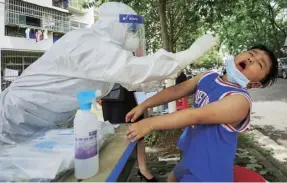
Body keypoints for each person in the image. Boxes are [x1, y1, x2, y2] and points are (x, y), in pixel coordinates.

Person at [0, 2, 218, 144]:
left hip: (48, 119)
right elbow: (134, 71)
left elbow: (134, 82)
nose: (133, 36)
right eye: (131, 30)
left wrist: (158, 83)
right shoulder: (87, 43)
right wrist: (189, 54)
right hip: (18, 116)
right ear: (115, 26)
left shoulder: (106, 51)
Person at [126, 45, 278, 182]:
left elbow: (195, 115)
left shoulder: (239, 101)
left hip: (209, 172)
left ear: (255, 84)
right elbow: (177, 90)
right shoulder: (207, 77)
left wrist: (150, 123)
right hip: (190, 156)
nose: (252, 59)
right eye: (252, 53)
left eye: (260, 63)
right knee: (171, 179)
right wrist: (144, 105)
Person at [101, 84, 157, 181]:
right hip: (111, 97)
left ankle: (142, 168)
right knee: (118, 135)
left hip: (128, 94)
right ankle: (117, 172)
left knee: (139, 132)